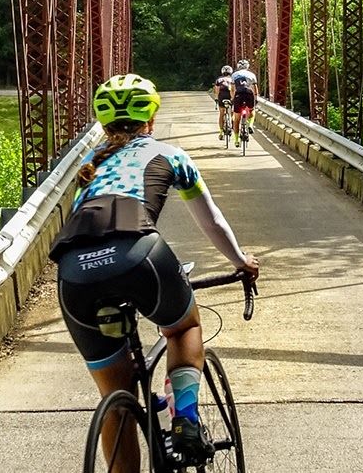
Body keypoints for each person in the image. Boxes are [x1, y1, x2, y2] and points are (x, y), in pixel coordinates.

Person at [52, 74, 261, 464]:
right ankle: (184, 418)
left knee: (116, 401)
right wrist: (241, 262)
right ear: (151, 118)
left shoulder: (88, 166)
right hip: (139, 254)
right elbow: (211, 221)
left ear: (103, 123)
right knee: (184, 326)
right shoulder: (170, 155)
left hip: (73, 274)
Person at [230, 60, 258, 138]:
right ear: (247, 66)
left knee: (237, 118)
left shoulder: (234, 75)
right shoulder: (252, 74)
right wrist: (256, 98)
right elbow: (255, 88)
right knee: (252, 110)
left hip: (238, 94)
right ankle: (250, 125)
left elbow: (232, 89)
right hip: (249, 93)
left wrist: (233, 99)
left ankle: (236, 140)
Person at [210, 65, 235, 140]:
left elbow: (217, 90)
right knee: (232, 113)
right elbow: (234, 90)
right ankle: (233, 127)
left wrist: (216, 98)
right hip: (230, 96)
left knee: (221, 113)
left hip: (222, 96)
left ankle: (221, 132)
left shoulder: (219, 79)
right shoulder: (232, 79)